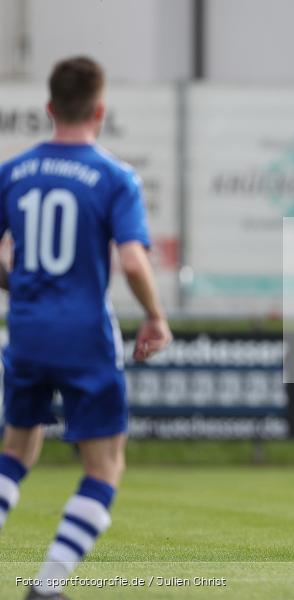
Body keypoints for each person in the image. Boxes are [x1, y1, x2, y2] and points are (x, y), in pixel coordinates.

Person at [0, 56, 172, 600]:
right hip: (83, 336)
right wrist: (154, 316)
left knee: (16, 451)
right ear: (99, 110)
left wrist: (18, 284)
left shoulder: (12, 172)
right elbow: (133, 262)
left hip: (25, 331)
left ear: (49, 108)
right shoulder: (114, 176)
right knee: (104, 464)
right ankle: (47, 586)